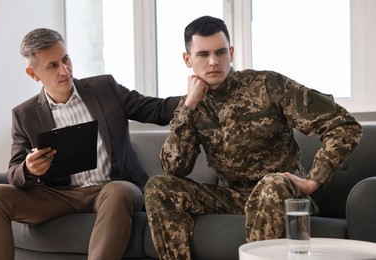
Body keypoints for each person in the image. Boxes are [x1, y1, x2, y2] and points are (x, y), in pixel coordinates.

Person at [144, 15, 363, 260]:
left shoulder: (267, 84)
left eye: (221, 52)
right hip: (234, 198)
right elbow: (174, 168)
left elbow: (344, 125)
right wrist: (189, 106)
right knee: (158, 187)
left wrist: (313, 181)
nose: (214, 62)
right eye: (203, 55)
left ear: (232, 52)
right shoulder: (192, 106)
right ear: (187, 59)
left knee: (272, 184)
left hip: (283, 193)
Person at [0, 28, 180, 260]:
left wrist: (195, 98)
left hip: (113, 187)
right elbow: (14, 171)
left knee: (117, 191)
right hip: (60, 195)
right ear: (33, 73)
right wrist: (28, 169)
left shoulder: (104, 88)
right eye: (52, 65)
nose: (64, 70)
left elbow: (156, 109)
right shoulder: (24, 114)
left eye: (65, 59)